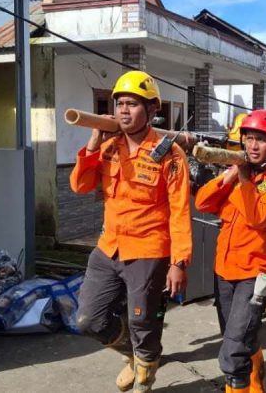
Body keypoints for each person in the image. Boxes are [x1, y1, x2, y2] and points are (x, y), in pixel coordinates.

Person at [70, 71, 192, 392]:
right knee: (89, 321)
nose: (124, 110)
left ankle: (145, 377)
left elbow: (180, 211)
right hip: (108, 247)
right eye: (120, 103)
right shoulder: (108, 147)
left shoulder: (170, 154)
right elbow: (80, 185)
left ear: (152, 111)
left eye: (133, 104)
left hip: (149, 251)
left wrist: (179, 263)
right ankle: (136, 356)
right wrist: (93, 142)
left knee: (143, 322)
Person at [195, 110, 266, 393]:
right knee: (235, 335)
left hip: (254, 274)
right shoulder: (238, 174)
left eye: (261, 140)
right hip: (224, 269)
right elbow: (203, 203)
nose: (253, 146)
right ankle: (256, 373)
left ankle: (238, 384)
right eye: (249, 138)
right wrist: (227, 177)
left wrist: (243, 179)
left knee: (232, 353)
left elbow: (257, 218)